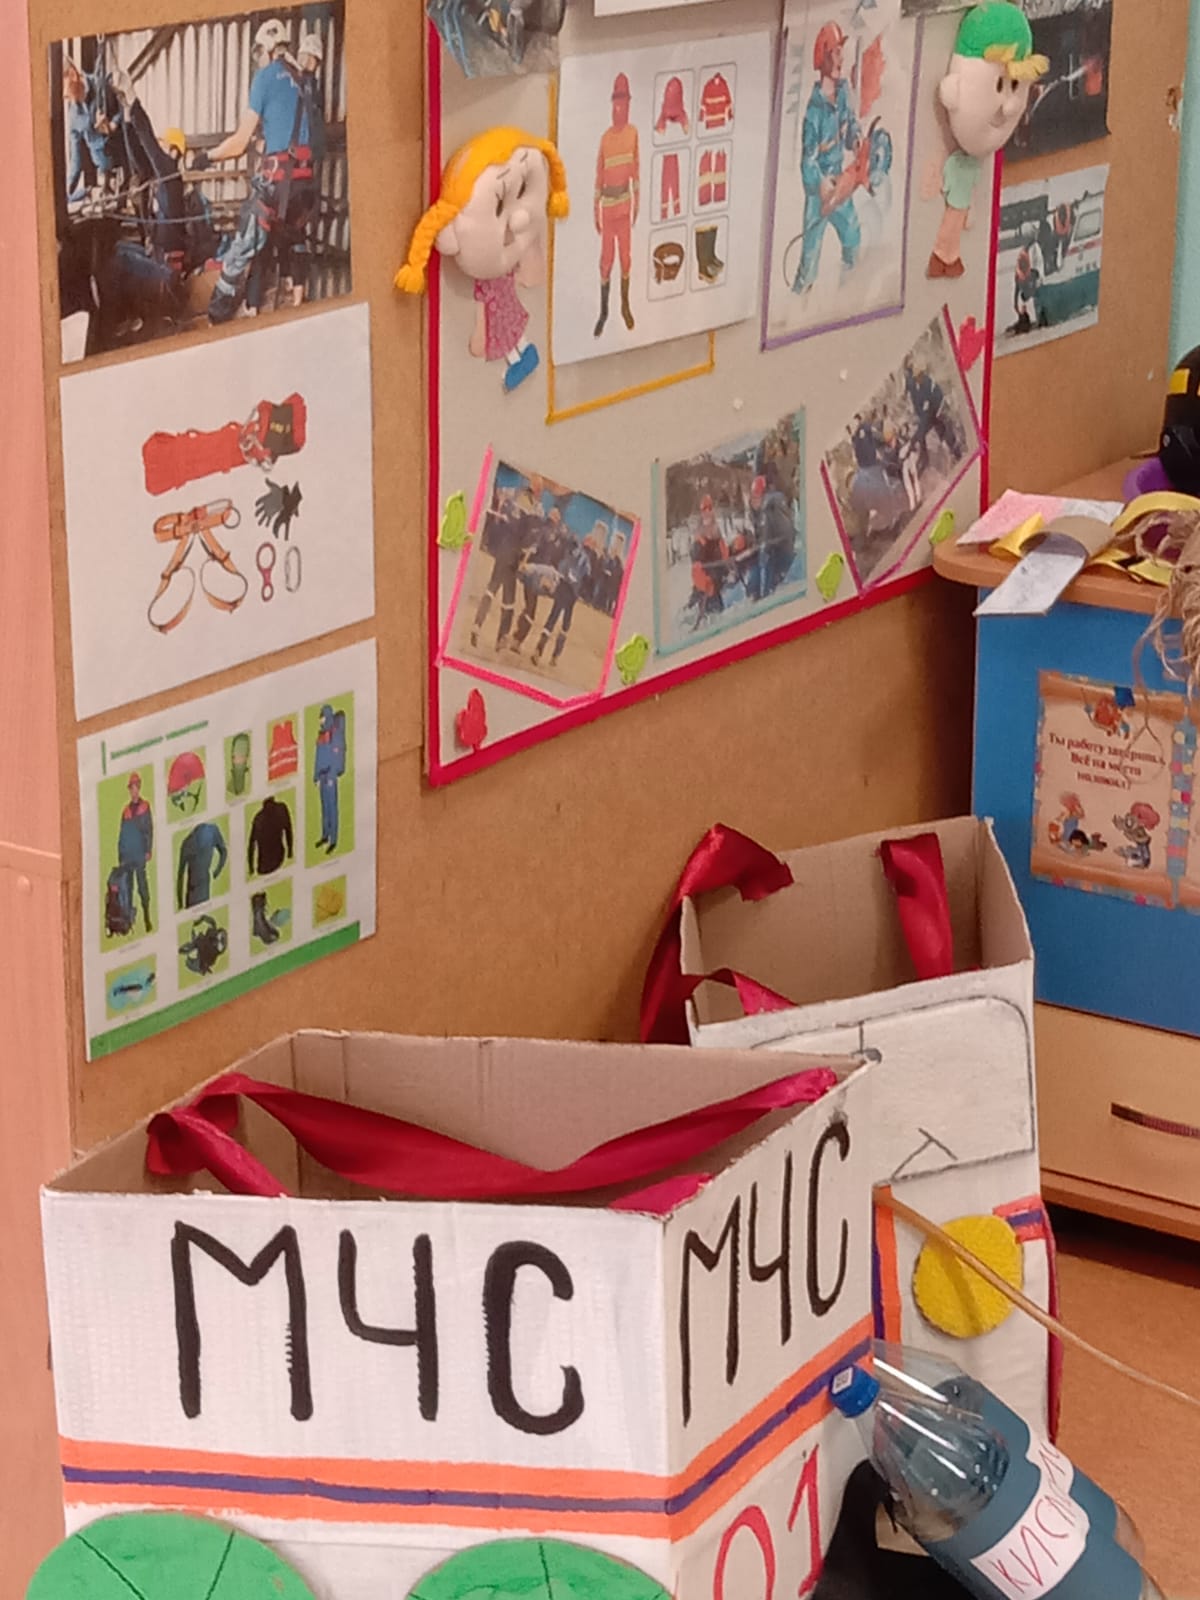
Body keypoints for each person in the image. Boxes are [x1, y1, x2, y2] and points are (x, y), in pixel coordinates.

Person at [198, 20, 326, 325]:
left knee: (244, 245)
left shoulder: (265, 78)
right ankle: (295, 306)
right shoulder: (304, 81)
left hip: (279, 187)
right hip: (306, 190)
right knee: (290, 238)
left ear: (268, 49)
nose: (258, 59)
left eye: (259, 52)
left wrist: (207, 157)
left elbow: (239, 143)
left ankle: (216, 317)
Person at [794, 22, 861, 295]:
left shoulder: (844, 93)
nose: (839, 59)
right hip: (818, 194)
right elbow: (807, 162)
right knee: (809, 259)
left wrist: (856, 140)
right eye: (834, 52)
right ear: (822, 58)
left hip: (840, 185)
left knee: (853, 238)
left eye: (840, 51)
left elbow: (851, 125)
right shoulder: (814, 111)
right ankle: (799, 300)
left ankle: (848, 293)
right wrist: (821, 185)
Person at [593, 73, 639, 338]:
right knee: (606, 260)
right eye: (617, 102)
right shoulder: (605, 139)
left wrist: (637, 200)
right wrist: (595, 208)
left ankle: (625, 306)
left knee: (625, 257)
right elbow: (599, 174)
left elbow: (636, 168)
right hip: (608, 208)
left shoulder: (632, 134)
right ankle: (603, 312)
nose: (620, 108)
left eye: (624, 102)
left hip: (625, 206)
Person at [471, 487, 537, 652]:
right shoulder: (527, 519)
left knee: (491, 589)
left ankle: (477, 624)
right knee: (509, 601)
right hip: (512, 560)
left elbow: (497, 525)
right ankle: (501, 637)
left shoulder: (508, 506)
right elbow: (526, 543)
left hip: (502, 553)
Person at [63, 58, 119, 202]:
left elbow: (124, 108)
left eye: (63, 87)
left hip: (124, 166)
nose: (64, 96)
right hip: (104, 178)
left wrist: (114, 123)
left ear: (72, 75)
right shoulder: (73, 115)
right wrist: (67, 191)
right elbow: (75, 159)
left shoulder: (100, 85)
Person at [532, 536, 592, 666]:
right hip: (571, 592)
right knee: (565, 623)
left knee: (553, 617)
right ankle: (554, 655)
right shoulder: (586, 561)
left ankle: (539, 649)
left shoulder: (573, 552)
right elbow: (587, 579)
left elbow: (562, 565)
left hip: (563, 587)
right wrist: (582, 591)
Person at [117, 771, 154, 934]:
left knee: (142, 886)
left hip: (139, 854)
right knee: (128, 888)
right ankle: (129, 920)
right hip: (127, 856)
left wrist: (148, 850)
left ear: (139, 788)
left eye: (136, 787)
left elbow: (149, 830)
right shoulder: (125, 811)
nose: (134, 791)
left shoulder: (145, 807)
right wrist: (120, 855)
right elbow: (122, 835)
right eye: (131, 788)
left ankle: (147, 916)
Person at [313, 704, 347, 854]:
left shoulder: (335, 735)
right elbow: (318, 758)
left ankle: (333, 839)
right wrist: (316, 776)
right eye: (320, 718)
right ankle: (325, 835)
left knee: (332, 808)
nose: (320, 720)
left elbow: (336, 757)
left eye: (322, 717)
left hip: (330, 776)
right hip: (322, 776)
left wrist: (332, 774)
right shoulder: (321, 736)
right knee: (324, 808)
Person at [176, 820, 229, 910]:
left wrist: (180, 902)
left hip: (200, 889)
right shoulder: (211, 831)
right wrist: (217, 871)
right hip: (195, 892)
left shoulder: (211, 831)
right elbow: (223, 851)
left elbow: (180, 875)